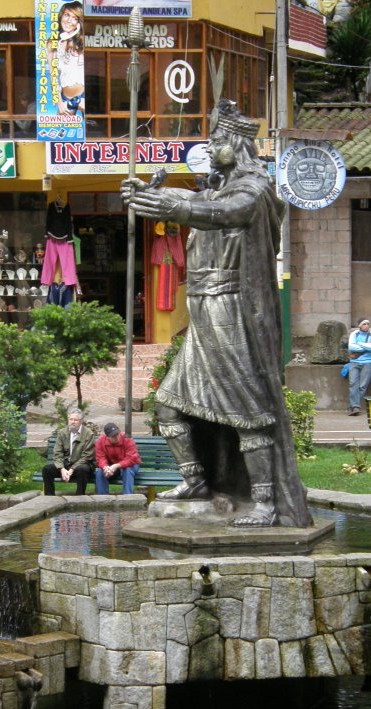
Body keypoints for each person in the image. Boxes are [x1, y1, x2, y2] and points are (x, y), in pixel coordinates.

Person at [121, 99, 309, 528]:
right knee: (168, 405)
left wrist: (176, 208)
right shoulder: (219, 188)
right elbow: (197, 198)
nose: (211, 146)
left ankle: (264, 502)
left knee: (246, 408)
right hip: (202, 314)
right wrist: (149, 194)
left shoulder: (255, 189)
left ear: (239, 144)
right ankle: (195, 481)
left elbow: (226, 212)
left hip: (231, 311)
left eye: (218, 140)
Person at [42, 409, 95, 496]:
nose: (72, 422)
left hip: (80, 466)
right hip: (65, 465)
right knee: (47, 470)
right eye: (71, 419)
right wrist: (62, 469)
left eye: (75, 420)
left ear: (81, 421)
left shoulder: (88, 434)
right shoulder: (62, 433)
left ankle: (80, 497)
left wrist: (72, 469)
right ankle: (49, 498)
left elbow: (86, 456)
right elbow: (57, 453)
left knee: (83, 469)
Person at [51, 1, 85, 115]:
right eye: (67, 15)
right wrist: (59, 102)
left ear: (79, 23)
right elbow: (53, 75)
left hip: (84, 98)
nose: (69, 21)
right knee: (61, 131)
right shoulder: (53, 43)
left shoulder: (83, 42)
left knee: (91, 131)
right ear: (61, 16)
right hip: (66, 99)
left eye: (75, 18)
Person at [94, 422, 141, 495]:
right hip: (111, 466)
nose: (117, 437)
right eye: (113, 436)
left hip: (131, 465)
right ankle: (102, 499)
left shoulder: (127, 439)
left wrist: (116, 466)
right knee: (100, 472)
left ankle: (128, 498)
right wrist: (105, 467)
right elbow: (100, 458)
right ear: (107, 437)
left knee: (127, 470)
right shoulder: (100, 441)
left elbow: (131, 458)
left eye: (117, 434)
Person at [346, 318, 371, 417]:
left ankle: (354, 406)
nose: (366, 325)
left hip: (368, 362)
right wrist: (366, 346)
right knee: (353, 384)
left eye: (368, 324)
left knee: (362, 386)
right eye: (364, 324)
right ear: (359, 326)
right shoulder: (354, 334)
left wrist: (359, 344)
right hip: (354, 362)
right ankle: (355, 406)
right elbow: (351, 347)